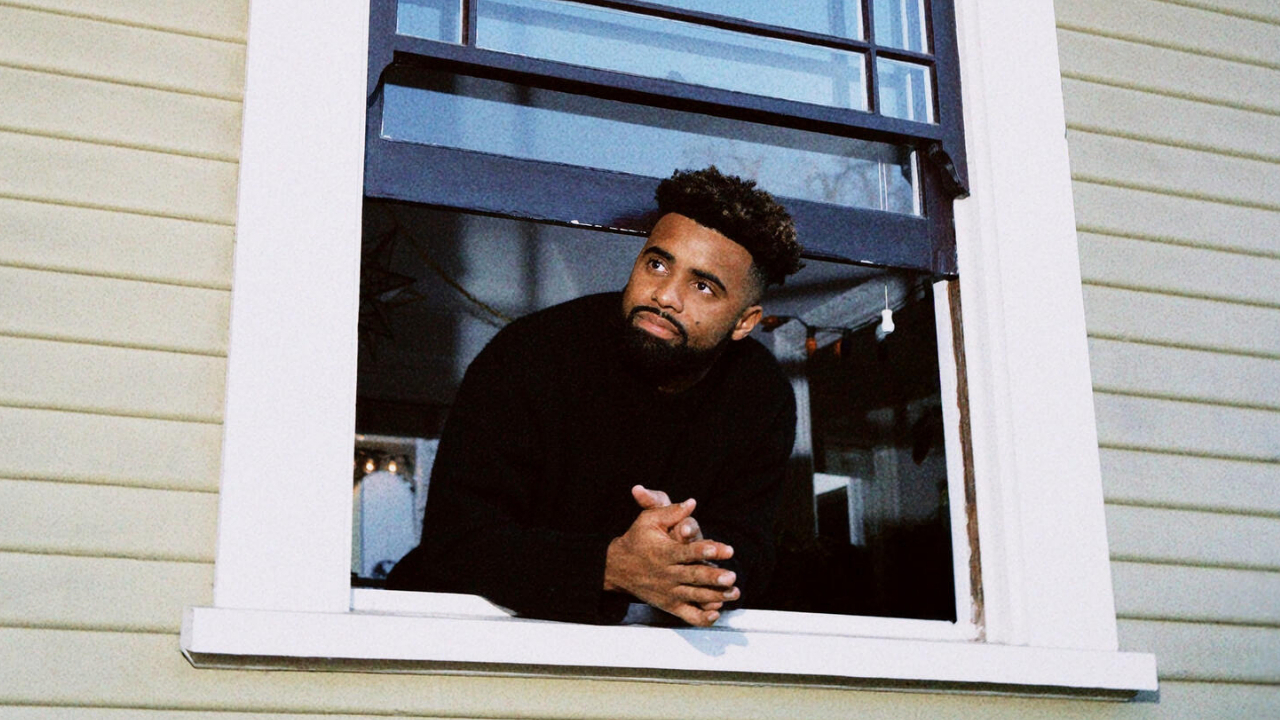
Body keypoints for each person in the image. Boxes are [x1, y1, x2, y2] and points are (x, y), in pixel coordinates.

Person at [386, 167, 804, 626]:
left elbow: (750, 553)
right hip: (445, 630)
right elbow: (455, 541)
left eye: (702, 286)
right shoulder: (530, 354)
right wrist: (612, 567)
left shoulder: (760, 397)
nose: (665, 295)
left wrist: (693, 553)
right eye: (657, 264)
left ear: (745, 322)